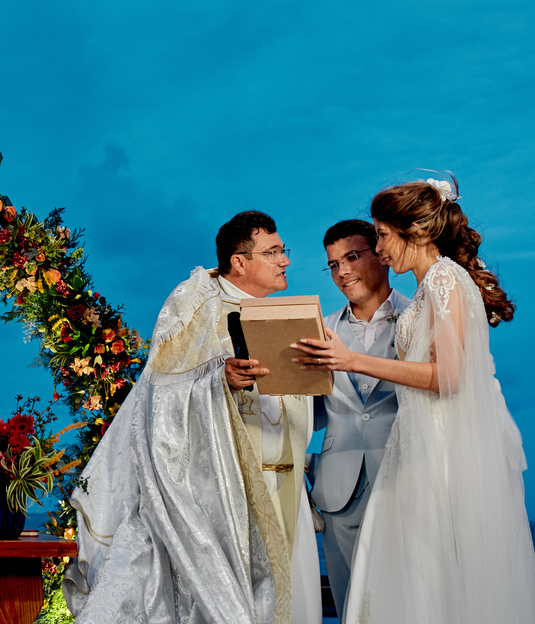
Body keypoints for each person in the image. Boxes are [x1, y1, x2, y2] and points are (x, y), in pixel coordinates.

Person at [293, 178, 535, 623]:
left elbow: (453, 376)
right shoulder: (432, 284)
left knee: (419, 582)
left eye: (381, 235)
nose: (380, 246)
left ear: (413, 230)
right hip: (399, 458)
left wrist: (353, 361)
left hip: (432, 456)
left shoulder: (444, 280)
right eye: (332, 264)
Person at [64, 211, 320, 624]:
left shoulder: (285, 312)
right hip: (226, 493)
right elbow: (158, 398)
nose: (285, 260)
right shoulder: (194, 303)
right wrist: (220, 381)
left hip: (287, 480)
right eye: (273, 252)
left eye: (282, 251)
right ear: (239, 261)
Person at [309, 220, 409, 620]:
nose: (343, 272)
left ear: (381, 254)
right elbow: (306, 413)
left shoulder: (420, 316)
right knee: (351, 605)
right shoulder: (318, 331)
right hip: (338, 489)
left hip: (407, 477)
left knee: (407, 599)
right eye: (333, 264)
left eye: (352, 257)